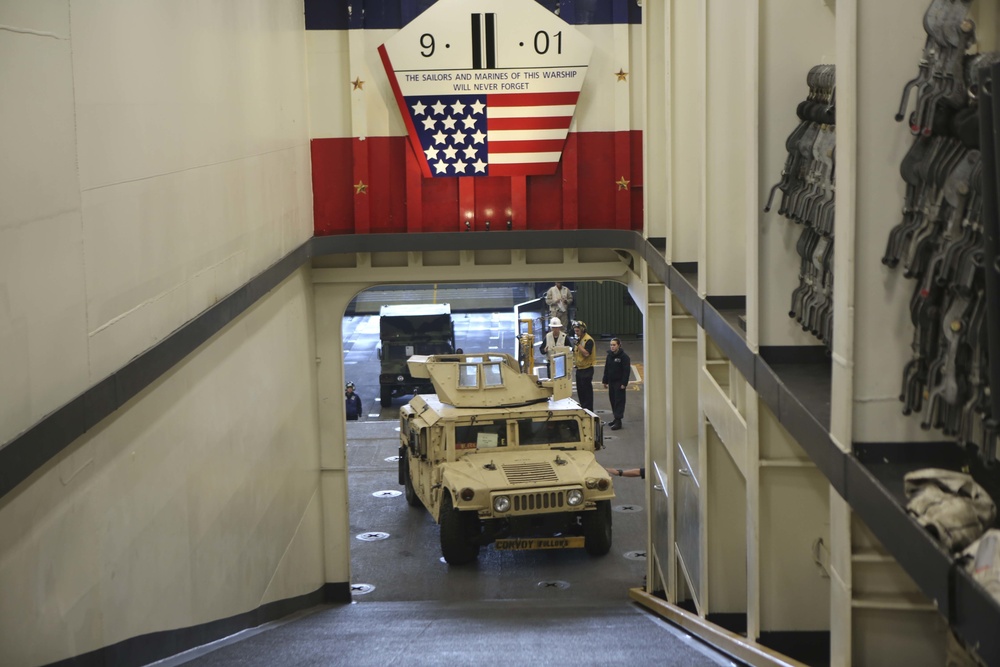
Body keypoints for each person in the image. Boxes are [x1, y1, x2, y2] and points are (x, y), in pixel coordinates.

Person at [601, 337, 631, 430]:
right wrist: (605, 381)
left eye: (614, 345)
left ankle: (618, 421)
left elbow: (626, 371)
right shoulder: (609, 355)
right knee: (613, 400)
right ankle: (615, 418)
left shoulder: (624, 357)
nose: (612, 347)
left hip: (619, 382)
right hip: (611, 381)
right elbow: (606, 369)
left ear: (619, 345)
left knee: (619, 401)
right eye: (611, 345)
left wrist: (624, 383)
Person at [572, 320, 596, 411]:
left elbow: (586, 353)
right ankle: (584, 408)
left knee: (587, 393)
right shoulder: (579, 340)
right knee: (581, 392)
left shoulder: (588, 340)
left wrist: (578, 345)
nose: (576, 332)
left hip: (587, 369)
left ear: (582, 330)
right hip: (579, 369)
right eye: (575, 330)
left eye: (577, 331)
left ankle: (589, 410)